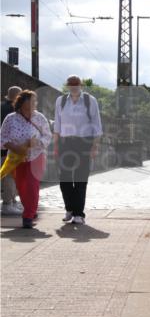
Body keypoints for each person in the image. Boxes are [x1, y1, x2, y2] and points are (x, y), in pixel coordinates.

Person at [53, 75, 103, 225]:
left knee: (81, 178)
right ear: (67, 86)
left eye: (76, 83)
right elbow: (57, 124)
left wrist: (95, 145)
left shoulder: (89, 100)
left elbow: (96, 124)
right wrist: (55, 145)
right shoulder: (60, 101)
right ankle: (70, 209)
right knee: (65, 178)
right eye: (71, 84)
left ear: (81, 85)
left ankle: (78, 214)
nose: (74, 86)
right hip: (65, 142)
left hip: (84, 142)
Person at [0, 90, 52, 228]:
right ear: (22, 102)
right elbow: (2, 137)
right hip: (17, 157)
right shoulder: (10, 118)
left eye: (35, 101)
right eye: (31, 101)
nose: (34, 104)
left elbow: (47, 136)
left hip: (36, 156)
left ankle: (28, 216)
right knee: (22, 186)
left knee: (32, 185)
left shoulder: (39, 117)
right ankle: (30, 208)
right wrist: (14, 147)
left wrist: (37, 143)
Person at [1, 86, 23, 216]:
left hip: (2, 147)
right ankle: (8, 204)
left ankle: (11, 202)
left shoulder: (1, 107)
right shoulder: (15, 111)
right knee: (10, 176)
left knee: (7, 176)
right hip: (11, 148)